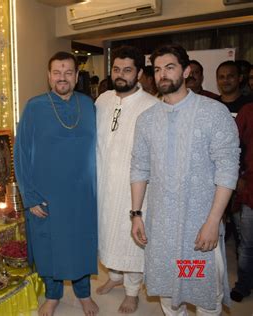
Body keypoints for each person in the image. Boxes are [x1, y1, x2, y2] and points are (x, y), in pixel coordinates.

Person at [130, 44, 240, 315]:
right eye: (157, 70)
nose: (162, 75)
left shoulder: (213, 112)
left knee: (203, 295)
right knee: (168, 295)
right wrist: (136, 214)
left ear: (186, 70)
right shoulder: (146, 119)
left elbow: (227, 169)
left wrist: (213, 222)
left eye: (169, 67)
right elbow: (139, 168)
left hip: (197, 229)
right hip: (160, 228)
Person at [14, 51, 98, 316]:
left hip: (82, 194)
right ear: (49, 76)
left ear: (76, 76)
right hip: (45, 194)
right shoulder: (34, 106)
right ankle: (52, 295)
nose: (63, 78)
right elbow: (21, 154)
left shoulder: (88, 105)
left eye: (68, 72)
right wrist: (30, 197)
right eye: (57, 73)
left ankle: (84, 294)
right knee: (48, 247)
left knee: (80, 244)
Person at [95, 45, 159, 314]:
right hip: (103, 181)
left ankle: (133, 290)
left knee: (130, 238)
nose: (121, 75)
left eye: (127, 70)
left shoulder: (152, 106)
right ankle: (115, 276)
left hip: (132, 187)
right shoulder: (103, 100)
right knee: (108, 232)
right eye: (116, 69)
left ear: (140, 73)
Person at [230, 101, 253, 302]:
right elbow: (235, 146)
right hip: (250, 188)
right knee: (246, 243)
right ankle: (244, 285)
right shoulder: (247, 111)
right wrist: (238, 176)